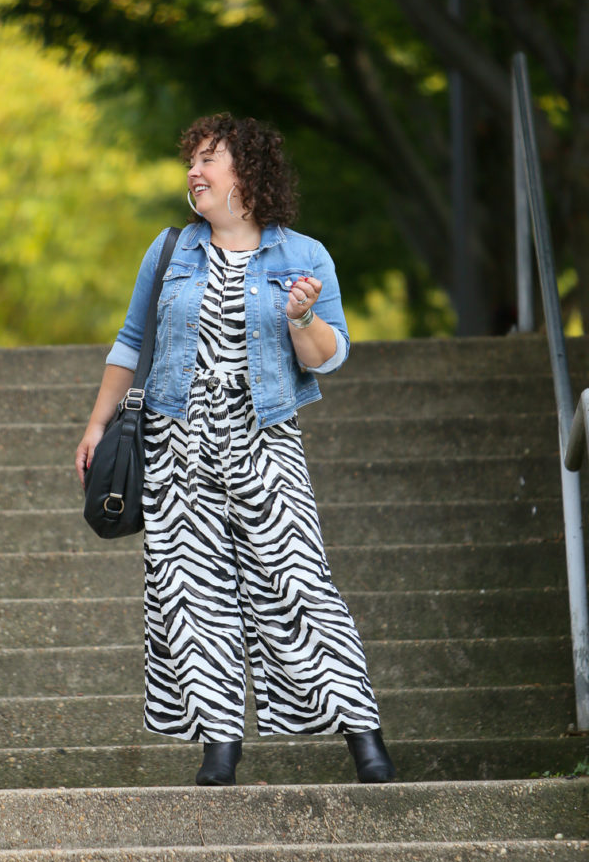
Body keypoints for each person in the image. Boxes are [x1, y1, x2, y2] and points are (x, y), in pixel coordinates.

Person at [75, 114, 396, 787]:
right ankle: (219, 745)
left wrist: (301, 317)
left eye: (209, 158)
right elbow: (132, 341)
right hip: (175, 439)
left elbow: (329, 356)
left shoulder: (305, 256)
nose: (195, 170)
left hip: (264, 437)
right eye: (191, 158)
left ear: (249, 172)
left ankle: (363, 735)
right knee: (192, 595)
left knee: (300, 585)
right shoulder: (169, 251)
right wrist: (97, 425)